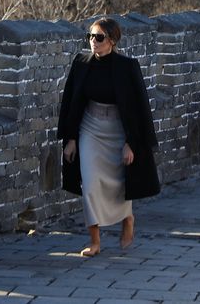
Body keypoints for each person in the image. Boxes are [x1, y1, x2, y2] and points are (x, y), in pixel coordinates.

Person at [57, 17, 160, 256]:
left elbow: (138, 108)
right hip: (90, 127)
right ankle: (95, 241)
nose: (94, 41)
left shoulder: (127, 67)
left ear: (112, 40)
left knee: (120, 182)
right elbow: (71, 102)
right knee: (91, 184)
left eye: (99, 37)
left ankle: (127, 218)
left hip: (118, 129)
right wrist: (70, 138)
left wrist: (131, 143)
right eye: (90, 36)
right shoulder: (81, 63)